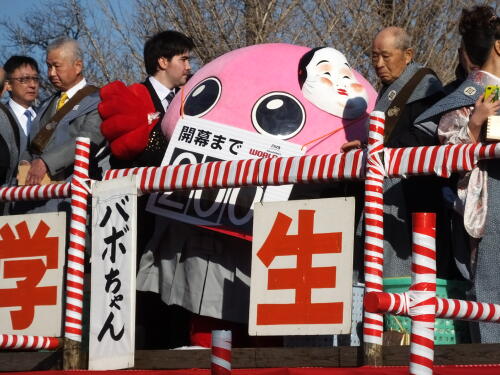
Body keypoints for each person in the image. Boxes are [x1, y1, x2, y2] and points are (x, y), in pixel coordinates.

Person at [99, 30, 194, 349]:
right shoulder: (131, 95)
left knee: (179, 276)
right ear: (162, 61)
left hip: (181, 206)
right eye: (183, 59)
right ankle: (140, 347)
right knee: (140, 279)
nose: (189, 66)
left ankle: (176, 343)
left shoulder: (193, 98)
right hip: (140, 210)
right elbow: (125, 149)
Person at [420, 5, 500, 343]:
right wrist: (477, 121)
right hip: (486, 197)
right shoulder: (470, 93)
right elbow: (446, 152)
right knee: (487, 280)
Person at [16, 37, 104, 215]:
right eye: (49, 66)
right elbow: (32, 144)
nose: (51, 73)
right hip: (38, 199)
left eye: (57, 66)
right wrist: (24, 162)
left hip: (73, 199)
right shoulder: (45, 104)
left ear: (78, 66)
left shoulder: (99, 100)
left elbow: (86, 140)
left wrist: (46, 163)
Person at [4, 56, 40, 172]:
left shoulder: (46, 115)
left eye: (35, 79)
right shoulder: (2, 117)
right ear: (8, 84)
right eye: (24, 79)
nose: (32, 85)